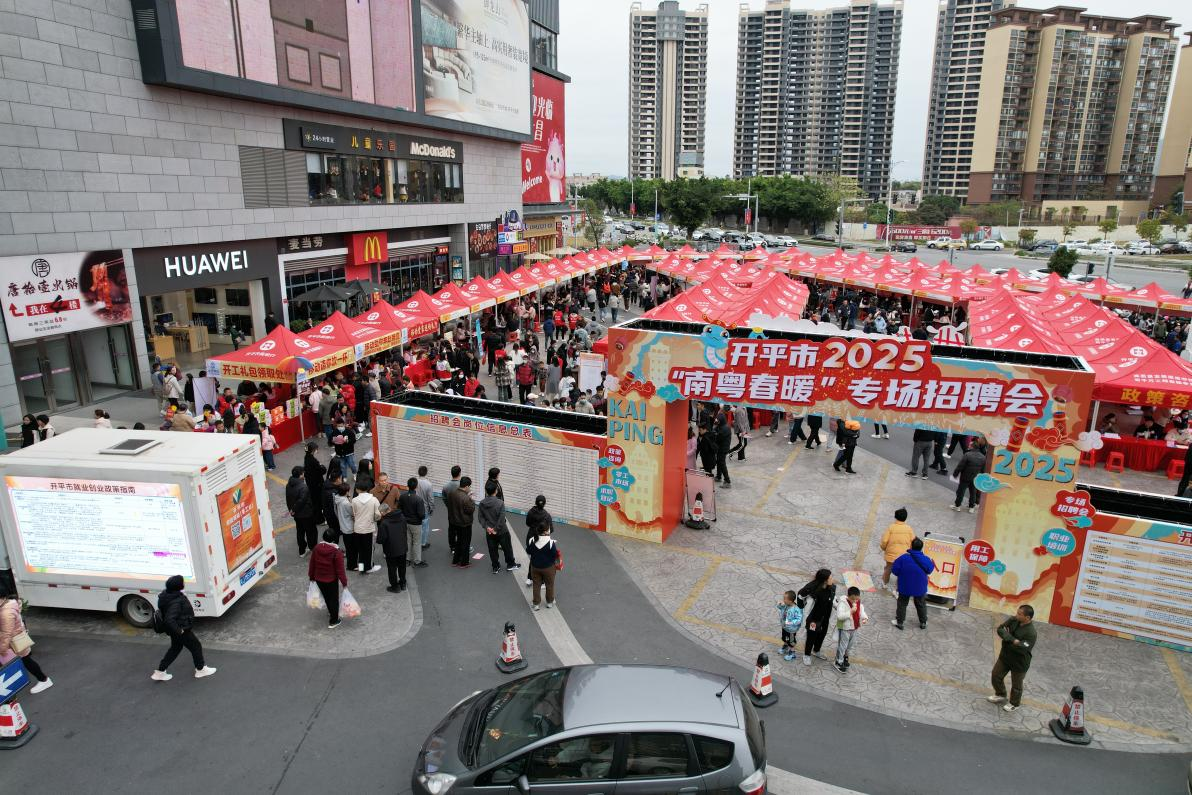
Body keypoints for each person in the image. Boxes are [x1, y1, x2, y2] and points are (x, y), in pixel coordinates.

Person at [151, 575, 216, 681]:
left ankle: (160, 672)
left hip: (174, 630)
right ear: (178, 586)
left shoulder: (167, 595)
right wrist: (179, 630)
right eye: (183, 582)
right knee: (196, 646)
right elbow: (169, 619)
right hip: (181, 629)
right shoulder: (176, 601)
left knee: (175, 648)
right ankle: (200, 669)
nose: (184, 583)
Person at [988, 605, 1038, 712]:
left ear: (1027, 618)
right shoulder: (1013, 620)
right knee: (996, 675)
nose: (1016, 615)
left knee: (1016, 685)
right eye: (1017, 612)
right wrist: (1012, 640)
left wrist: (1007, 638)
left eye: (1020, 614)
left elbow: (1021, 649)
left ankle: (1014, 703)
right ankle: (1001, 694)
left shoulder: (1031, 633)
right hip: (1005, 657)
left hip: (1019, 663)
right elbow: (1000, 629)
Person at [0, 591, 52, 693]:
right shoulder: (7, 605)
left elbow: (6, 634)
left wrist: (1, 649)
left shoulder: (6, 612)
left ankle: (44, 680)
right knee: (26, 661)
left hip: (13, 644)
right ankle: (43, 679)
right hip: (15, 643)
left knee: (26, 661)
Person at [891, 538, 935, 630]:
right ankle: (923, 622)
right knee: (921, 603)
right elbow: (930, 570)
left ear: (911, 546)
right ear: (921, 548)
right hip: (920, 586)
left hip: (905, 585)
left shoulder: (903, 558)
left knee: (902, 603)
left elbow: (895, 570)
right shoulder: (926, 559)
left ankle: (900, 622)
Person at [308, 529, 348, 628]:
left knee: (326, 597)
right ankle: (334, 620)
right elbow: (340, 570)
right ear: (334, 539)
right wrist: (344, 583)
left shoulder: (317, 548)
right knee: (333, 599)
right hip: (331, 580)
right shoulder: (336, 552)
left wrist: (311, 576)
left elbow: (312, 564)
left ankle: (331, 612)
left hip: (319, 578)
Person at [797, 569, 836, 666]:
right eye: (830, 577)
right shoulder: (813, 588)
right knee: (811, 637)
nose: (832, 579)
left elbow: (832, 599)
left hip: (825, 618)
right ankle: (806, 655)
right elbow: (800, 595)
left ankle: (816, 650)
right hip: (814, 619)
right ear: (825, 580)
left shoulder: (832, 588)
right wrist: (801, 607)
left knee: (822, 634)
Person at [479, 481, 518, 573]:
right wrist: (495, 529)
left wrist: (487, 527)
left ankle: (495, 566)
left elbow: (480, 517)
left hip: (489, 532)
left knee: (492, 550)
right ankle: (510, 564)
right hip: (502, 531)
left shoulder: (482, 503)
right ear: (495, 491)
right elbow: (501, 519)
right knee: (507, 548)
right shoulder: (500, 503)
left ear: (486, 491)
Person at [832, 585, 868, 674]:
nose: (855, 601)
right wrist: (850, 612)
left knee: (850, 645)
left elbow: (861, 611)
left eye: (857, 599)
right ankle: (838, 661)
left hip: (854, 628)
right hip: (845, 628)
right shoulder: (843, 603)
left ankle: (845, 657)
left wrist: (864, 618)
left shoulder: (859, 603)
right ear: (848, 596)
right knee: (843, 645)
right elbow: (840, 616)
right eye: (853, 599)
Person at [376, 501, 409, 593]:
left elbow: (380, 540)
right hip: (402, 547)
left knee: (392, 568)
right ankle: (403, 583)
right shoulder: (402, 517)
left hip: (391, 550)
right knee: (402, 567)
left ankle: (395, 587)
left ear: (382, 512)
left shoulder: (384, 523)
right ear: (389, 509)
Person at [350, 483, 383, 574]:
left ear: (357, 490)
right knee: (369, 549)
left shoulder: (354, 500)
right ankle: (368, 567)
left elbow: (354, 514)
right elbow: (378, 514)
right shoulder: (374, 500)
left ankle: (361, 568)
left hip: (358, 528)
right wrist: (375, 519)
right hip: (369, 528)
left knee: (360, 550)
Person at [527, 523, 561, 611]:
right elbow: (554, 555)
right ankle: (549, 602)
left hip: (535, 567)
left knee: (536, 585)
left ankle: (536, 603)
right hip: (548, 568)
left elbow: (529, 551)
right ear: (545, 531)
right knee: (549, 585)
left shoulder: (532, 540)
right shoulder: (550, 542)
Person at [286, 466, 318, 558]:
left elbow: (288, 499)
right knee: (311, 532)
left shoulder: (289, 485)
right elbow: (301, 501)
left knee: (300, 532)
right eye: (303, 473)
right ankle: (313, 548)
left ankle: (302, 550)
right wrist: (294, 509)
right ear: (300, 475)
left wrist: (291, 510)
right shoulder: (303, 487)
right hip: (306, 514)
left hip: (296, 515)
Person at [879, 508, 915, 589]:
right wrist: (910, 551)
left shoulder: (891, 527)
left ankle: (884, 584)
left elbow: (884, 541)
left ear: (895, 517)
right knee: (901, 572)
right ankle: (897, 589)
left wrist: (884, 548)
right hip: (904, 556)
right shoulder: (909, 528)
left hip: (891, 554)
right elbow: (913, 541)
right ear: (905, 517)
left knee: (888, 569)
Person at [446, 476, 477, 568]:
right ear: (467, 486)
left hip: (454, 522)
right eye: (469, 486)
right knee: (466, 542)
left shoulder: (452, 493)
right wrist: (472, 500)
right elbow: (470, 510)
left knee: (459, 541)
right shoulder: (466, 498)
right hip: (465, 523)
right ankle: (464, 562)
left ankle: (455, 561)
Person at [398, 477, 427, 572]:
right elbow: (422, 514)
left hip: (405, 522)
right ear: (416, 486)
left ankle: (407, 559)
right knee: (416, 542)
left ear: (408, 486)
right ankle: (417, 561)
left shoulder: (402, 497)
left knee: (408, 541)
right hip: (416, 523)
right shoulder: (418, 499)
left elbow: (399, 509)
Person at [952, 441, 987, 513]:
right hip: (975, 478)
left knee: (961, 492)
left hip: (965, 477)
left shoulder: (967, 455)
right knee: (973, 493)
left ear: (972, 447)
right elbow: (983, 470)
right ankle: (971, 507)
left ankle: (957, 506)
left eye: (970, 445)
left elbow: (960, 466)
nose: (968, 446)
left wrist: (955, 474)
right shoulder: (983, 457)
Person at [333, 483, 357, 570]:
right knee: (352, 548)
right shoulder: (346, 503)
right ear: (346, 492)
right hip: (349, 527)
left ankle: (351, 563)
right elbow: (353, 513)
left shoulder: (337, 498)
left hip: (343, 525)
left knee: (348, 546)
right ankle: (352, 565)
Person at [303, 443, 327, 525]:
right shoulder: (313, 461)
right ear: (313, 450)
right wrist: (322, 466)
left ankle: (317, 517)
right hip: (316, 485)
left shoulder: (306, 458)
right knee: (318, 503)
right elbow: (322, 470)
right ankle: (319, 519)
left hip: (311, 484)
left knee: (315, 502)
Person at [777, 590, 803, 662]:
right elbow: (780, 608)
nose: (783, 600)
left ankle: (792, 653)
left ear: (790, 600)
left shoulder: (796, 609)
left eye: (785, 599)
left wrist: (791, 622)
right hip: (785, 627)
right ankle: (785, 647)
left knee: (791, 642)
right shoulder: (786, 605)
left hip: (791, 629)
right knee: (785, 638)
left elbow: (799, 619)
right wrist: (779, 605)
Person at [416, 465, 434, 558]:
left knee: (417, 526)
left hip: (415, 507)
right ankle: (423, 543)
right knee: (425, 526)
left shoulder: (415, 482)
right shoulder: (428, 484)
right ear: (426, 473)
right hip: (425, 508)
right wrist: (432, 508)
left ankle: (416, 542)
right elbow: (430, 499)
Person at [713, 413, 733, 488]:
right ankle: (718, 476)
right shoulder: (721, 426)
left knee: (721, 463)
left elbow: (717, 438)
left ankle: (727, 481)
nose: (716, 421)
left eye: (718, 420)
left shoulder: (725, 428)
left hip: (723, 449)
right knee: (719, 461)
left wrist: (715, 434)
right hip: (720, 448)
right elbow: (715, 431)